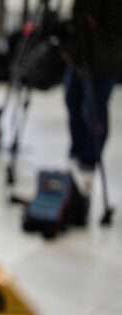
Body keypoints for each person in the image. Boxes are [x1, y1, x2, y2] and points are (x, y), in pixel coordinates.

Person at [62, 0, 122, 222]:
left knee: (94, 111)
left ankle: (88, 164)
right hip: (80, 51)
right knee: (72, 101)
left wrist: (96, 23)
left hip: (103, 56)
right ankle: (76, 156)